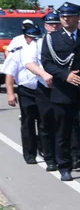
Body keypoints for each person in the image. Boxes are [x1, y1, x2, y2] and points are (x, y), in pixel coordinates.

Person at [41, 2, 80, 182]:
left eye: (69, 16)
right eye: (63, 16)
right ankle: (64, 166)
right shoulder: (51, 38)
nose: (65, 19)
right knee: (63, 130)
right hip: (63, 90)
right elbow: (47, 62)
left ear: (77, 18)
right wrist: (65, 75)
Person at [3, 25, 44, 164]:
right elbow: (9, 75)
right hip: (26, 90)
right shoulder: (17, 53)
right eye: (31, 38)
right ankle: (30, 153)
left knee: (44, 121)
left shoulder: (42, 51)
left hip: (42, 91)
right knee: (28, 122)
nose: (34, 40)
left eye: (36, 38)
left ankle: (43, 148)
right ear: (25, 38)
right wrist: (10, 94)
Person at [26, 12, 60, 171]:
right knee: (46, 123)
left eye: (57, 23)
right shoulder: (38, 43)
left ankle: (67, 157)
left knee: (66, 124)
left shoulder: (66, 40)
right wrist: (44, 74)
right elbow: (29, 63)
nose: (54, 26)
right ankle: (50, 158)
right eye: (51, 24)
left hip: (64, 87)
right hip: (45, 88)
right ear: (45, 25)